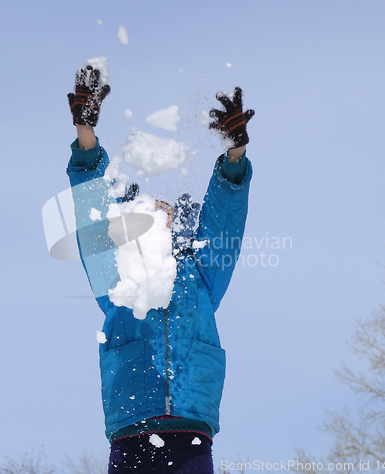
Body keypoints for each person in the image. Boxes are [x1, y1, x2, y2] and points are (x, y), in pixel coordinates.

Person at [66, 65, 254, 473]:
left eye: (165, 207)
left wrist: (235, 152)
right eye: (145, 207)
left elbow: (225, 221)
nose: (158, 210)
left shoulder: (201, 274)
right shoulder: (119, 278)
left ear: (181, 223)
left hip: (190, 433)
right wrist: (86, 135)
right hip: (133, 428)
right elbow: (92, 217)